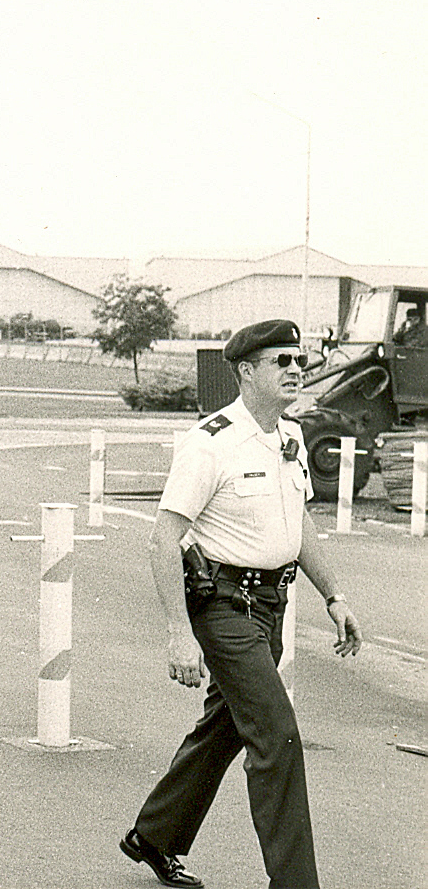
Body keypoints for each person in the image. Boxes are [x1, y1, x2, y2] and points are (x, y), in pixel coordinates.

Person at [121, 319, 363, 889]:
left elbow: (297, 523)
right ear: (247, 371)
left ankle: (153, 835)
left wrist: (335, 594)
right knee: (277, 737)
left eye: (299, 361)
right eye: (282, 361)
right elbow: (163, 537)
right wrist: (180, 634)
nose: (295, 370)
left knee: (225, 727)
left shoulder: (291, 437)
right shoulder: (210, 443)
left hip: (271, 607)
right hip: (223, 607)